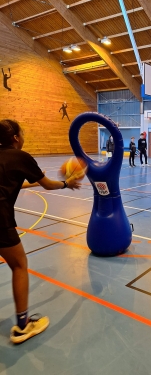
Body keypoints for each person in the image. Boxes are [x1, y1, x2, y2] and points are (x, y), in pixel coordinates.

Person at [0, 119, 81, 344]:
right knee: (19, 265)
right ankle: (23, 326)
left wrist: (32, 183)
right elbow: (49, 184)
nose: (23, 136)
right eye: (22, 133)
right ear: (16, 138)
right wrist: (67, 184)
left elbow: (7, 182)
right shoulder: (21, 156)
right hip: (1, 221)